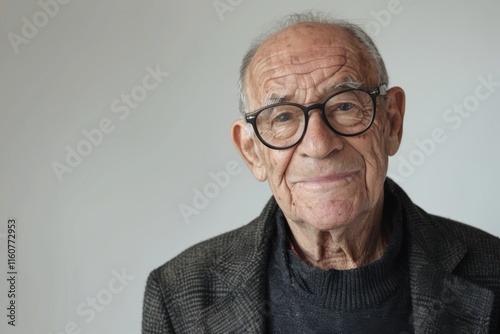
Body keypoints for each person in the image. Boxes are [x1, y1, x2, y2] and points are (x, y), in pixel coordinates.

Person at [142, 12, 500, 333]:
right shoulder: (179, 294)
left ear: (392, 122)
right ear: (251, 152)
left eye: (344, 105)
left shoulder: (492, 269)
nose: (318, 144)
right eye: (283, 116)